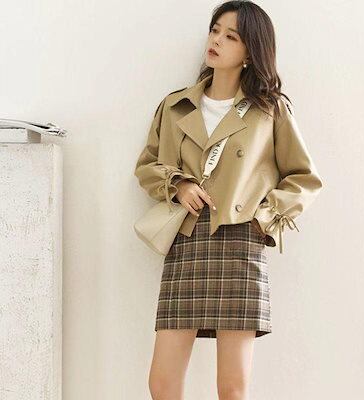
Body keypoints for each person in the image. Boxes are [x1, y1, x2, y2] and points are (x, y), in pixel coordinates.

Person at [134, 1, 323, 399]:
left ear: (251, 51)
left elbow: (304, 178)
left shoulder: (269, 110)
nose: (216, 40)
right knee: (162, 383)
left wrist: (263, 219)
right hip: (186, 241)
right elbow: (148, 166)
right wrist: (179, 184)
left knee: (232, 388)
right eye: (215, 30)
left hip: (240, 242)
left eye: (231, 36)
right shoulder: (175, 106)